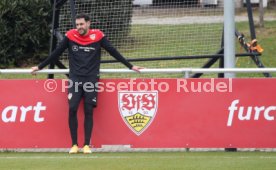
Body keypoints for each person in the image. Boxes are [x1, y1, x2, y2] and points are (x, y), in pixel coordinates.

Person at [31, 13, 142, 154]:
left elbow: (113, 52)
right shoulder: (70, 36)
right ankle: (74, 145)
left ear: (88, 23)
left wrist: (130, 66)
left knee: (89, 111)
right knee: (72, 109)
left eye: (81, 24)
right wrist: (39, 67)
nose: (79, 27)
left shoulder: (98, 36)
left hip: (91, 80)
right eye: (77, 25)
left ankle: (86, 145)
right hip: (75, 79)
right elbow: (56, 53)